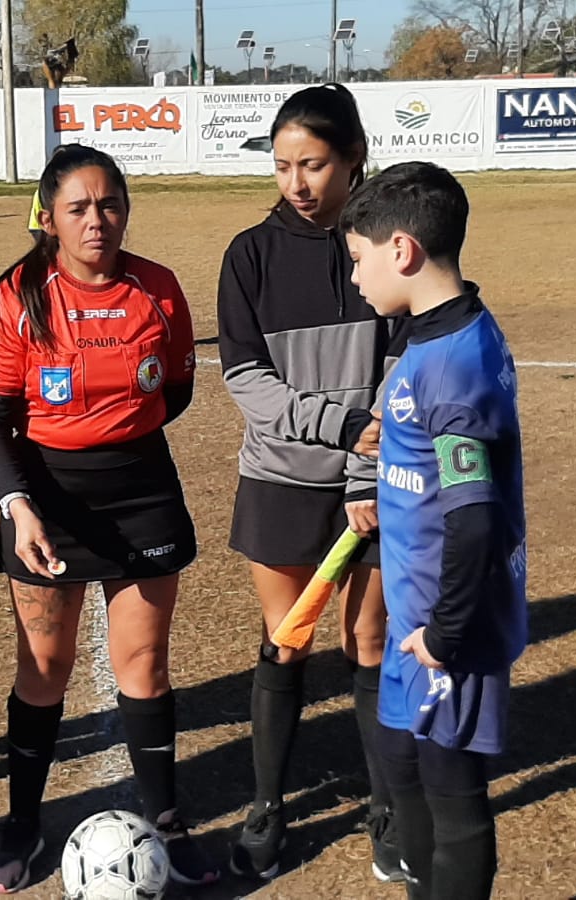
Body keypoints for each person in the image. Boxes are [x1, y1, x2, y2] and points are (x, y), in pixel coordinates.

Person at [0, 143, 219, 893]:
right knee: (44, 669)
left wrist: (118, 432)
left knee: (144, 663)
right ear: (48, 219)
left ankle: (166, 821)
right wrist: (18, 505)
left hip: (142, 491)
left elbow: (174, 390)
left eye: (109, 205)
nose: (96, 221)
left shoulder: (159, 288)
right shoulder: (18, 295)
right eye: (77, 208)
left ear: (126, 210)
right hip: (45, 499)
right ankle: (23, 821)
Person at [217, 82, 404, 883]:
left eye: (315, 164)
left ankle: (388, 808)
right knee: (286, 638)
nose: (296, 182)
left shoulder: (389, 246)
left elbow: (402, 369)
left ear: (354, 158)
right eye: (283, 165)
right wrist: (337, 427)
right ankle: (268, 806)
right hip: (281, 480)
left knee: (369, 641)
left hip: (373, 484)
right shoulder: (249, 256)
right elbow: (245, 379)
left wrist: (364, 471)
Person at [341, 161, 528, 900]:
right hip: (413, 621)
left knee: (453, 804)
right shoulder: (433, 336)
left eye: (358, 259)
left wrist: (445, 634)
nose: (355, 276)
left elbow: (475, 517)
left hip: (446, 631)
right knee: (402, 773)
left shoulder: (453, 366)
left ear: (402, 251)